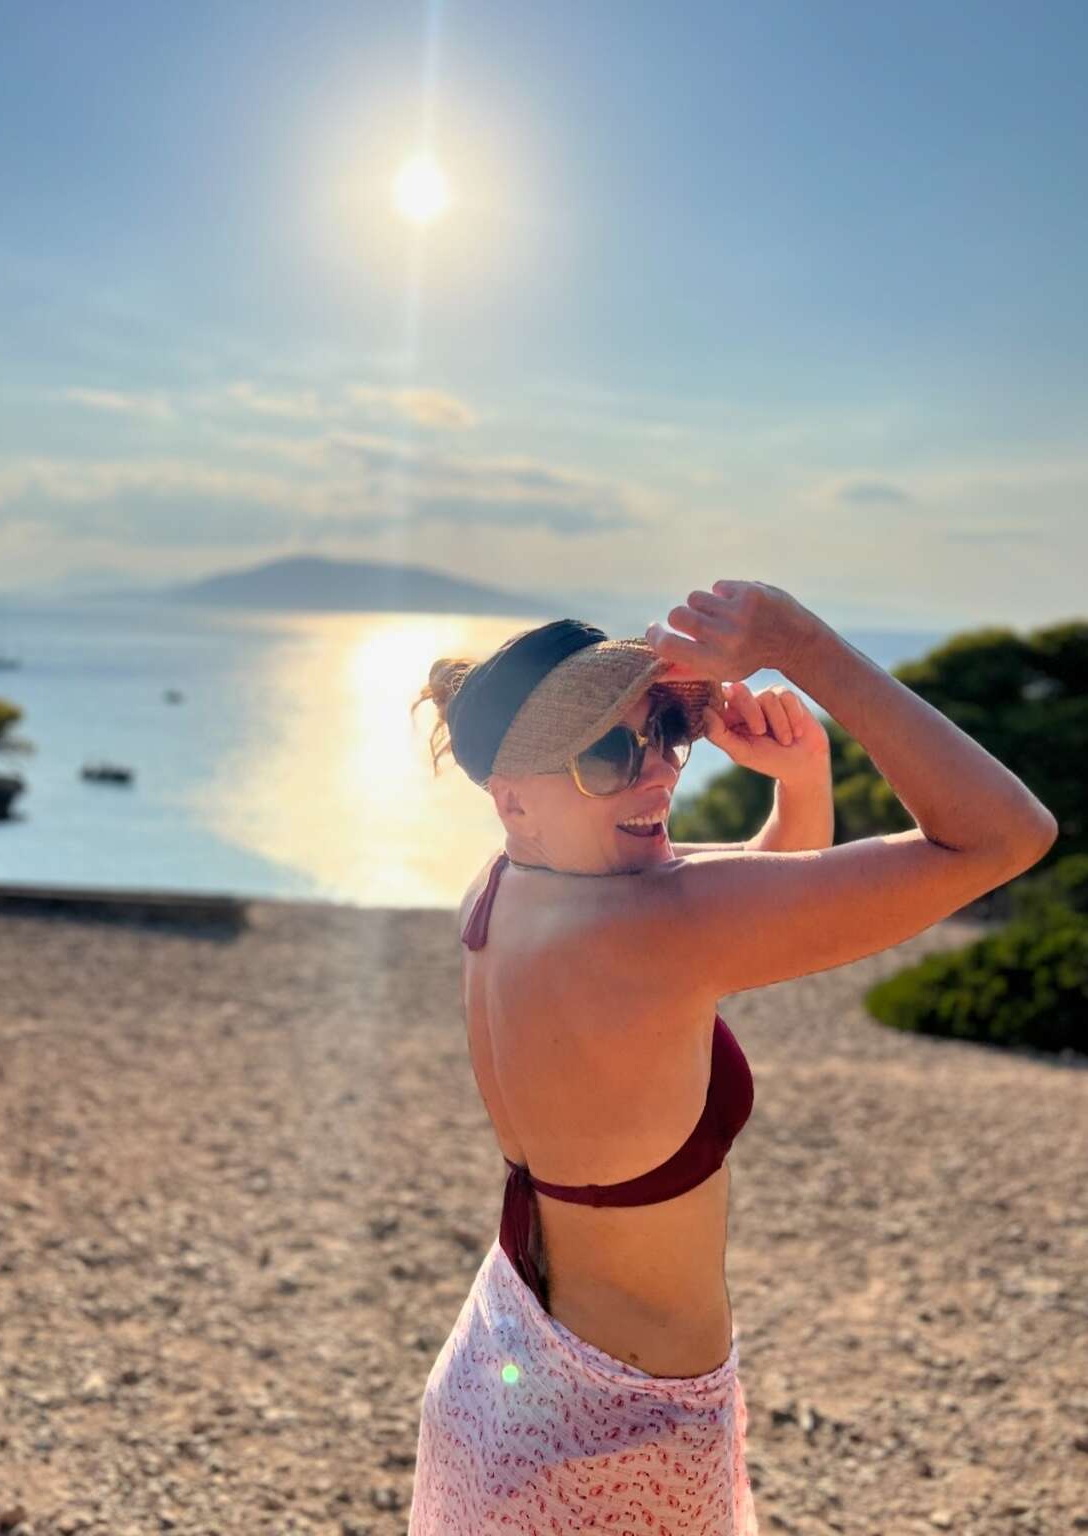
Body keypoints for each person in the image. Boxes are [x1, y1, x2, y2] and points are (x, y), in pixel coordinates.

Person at [404, 578, 1058, 1536]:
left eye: (664, 733)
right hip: (615, 1432)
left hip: (509, 1369)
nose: (657, 776)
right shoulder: (652, 928)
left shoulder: (511, 884)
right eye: (606, 754)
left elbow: (755, 898)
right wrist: (803, 645)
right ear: (513, 799)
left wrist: (800, 781)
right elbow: (1007, 836)